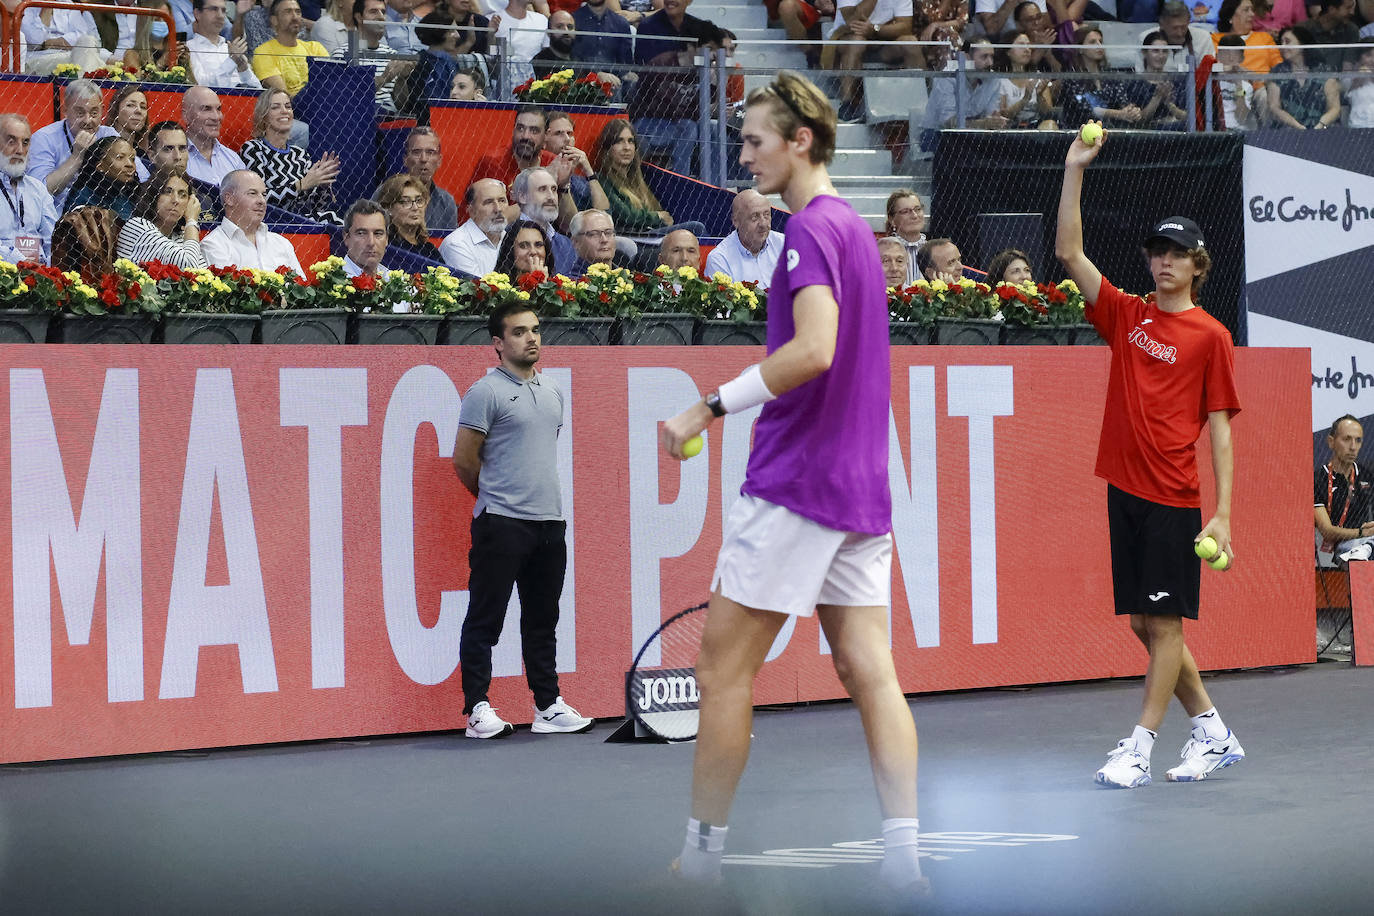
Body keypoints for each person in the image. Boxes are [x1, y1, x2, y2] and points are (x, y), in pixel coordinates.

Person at [657, 69, 924, 898]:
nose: (744, 157)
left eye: (754, 141)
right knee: (869, 669)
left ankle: (700, 863)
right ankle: (905, 865)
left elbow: (814, 350)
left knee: (721, 673)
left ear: (799, 141)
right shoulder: (853, 230)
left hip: (796, 484)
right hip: (859, 489)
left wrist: (709, 407)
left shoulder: (809, 231)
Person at [1056, 125, 1245, 790]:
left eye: (1177, 254)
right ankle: (1214, 733)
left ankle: (1139, 746)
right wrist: (1076, 167)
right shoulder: (1126, 316)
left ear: (1198, 265)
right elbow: (1070, 250)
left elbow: (1220, 428)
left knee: (1162, 623)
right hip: (1125, 489)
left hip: (1173, 496)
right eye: (1157, 251)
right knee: (1146, 622)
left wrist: (1221, 515)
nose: (1164, 262)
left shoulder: (1212, 337)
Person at [451, 300, 592, 740]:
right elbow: (464, 461)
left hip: (550, 524)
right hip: (500, 523)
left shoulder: (552, 392)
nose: (531, 338)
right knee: (485, 619)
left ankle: (547, 706)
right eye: (519, 332)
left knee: (541, 620)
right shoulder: (485, 392)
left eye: (535, 330)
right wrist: (495, 498)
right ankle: (477, 709)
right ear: (498, 343)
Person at [631, 0, 721, 174]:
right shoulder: (663, 64)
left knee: (713, 128)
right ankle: (681, 181)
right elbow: (657, 106)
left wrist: (715, 80)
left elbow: (708, 106)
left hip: (681, 122)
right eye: (708, 50)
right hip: (649, 123)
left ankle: (715, 187)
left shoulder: (703, 71)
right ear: (691, 46)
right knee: (689, 128)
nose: (712, 56)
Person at [240, 88, 341, 222]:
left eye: (288, 106)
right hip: (271, 222)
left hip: (301, 221)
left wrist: (323, 185)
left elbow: (316, 208)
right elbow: (258, 198)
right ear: (263, 116)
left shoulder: (300, 154)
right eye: (275, 107)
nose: (284, 111)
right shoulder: (253, 149)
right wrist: (300, 185)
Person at [592, 120, 704, 237]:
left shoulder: (642, 178)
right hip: (631, 236)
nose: (627, 147)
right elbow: (625, 215)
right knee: (696, 228)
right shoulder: (601, 181)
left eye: (631, 141)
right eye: (619, 141)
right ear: (608, 148)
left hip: (651, 233)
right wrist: (658, 217)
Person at [27, 80, 119, 213]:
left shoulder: (109, 134)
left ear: (103, 111)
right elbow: (40, 190)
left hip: (103, 214)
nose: (88, 120)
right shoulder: (44, 138)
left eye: (94, 113)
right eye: (80, 113)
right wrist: (77, 156)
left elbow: (137, 176)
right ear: (65, 110)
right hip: (56, 218)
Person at [823, 0, 921, 121]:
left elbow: (905, 27)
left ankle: (921, 103)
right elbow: (852, 21)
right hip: (848, 36)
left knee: (910, 42)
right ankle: (847, 104)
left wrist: (875, 29)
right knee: (857, 41)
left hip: (883, 39)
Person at [201, 168, 305, 272]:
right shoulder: (213, 245)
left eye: (264, 195)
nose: (262, 201)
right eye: (252, 193)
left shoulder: (282, 243)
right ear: (229, 199)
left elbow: (301, 286)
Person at [919, 37, 1007, 152]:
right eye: (984, 57)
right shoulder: (948, 77)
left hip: (974, 134)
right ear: (966, 57)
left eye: (992, 57)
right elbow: (949, 122)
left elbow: (990, 115)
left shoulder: (993, 79)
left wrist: (995, 120)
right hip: (937, 133)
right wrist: (983, 123)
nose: (990, 63)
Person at [468, 107, 556, 221]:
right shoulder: (493, 162)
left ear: (547, 135)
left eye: (534, 131)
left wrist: (563, 187)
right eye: (520, 128)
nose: (525, 136)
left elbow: (567, 224)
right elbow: (493, 218)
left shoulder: (552, 162)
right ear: (513, 130)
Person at [116, 167, 209, 268]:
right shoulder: (137, 226)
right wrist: (191, 220)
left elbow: (203, 274)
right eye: (168, 192)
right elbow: (189, 266)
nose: (175, 200)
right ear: (153, 196)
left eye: (182, 195)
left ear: (189, 202)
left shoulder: (180, 237)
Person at [0, 114, 61, 266]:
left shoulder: (37, 188)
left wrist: (47, 269)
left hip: (38, 275)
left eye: (25, 142)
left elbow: (52, 239)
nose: (20, 150)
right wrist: (21, 262)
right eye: (11, 141)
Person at [1060, 26, 1144, 130]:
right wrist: (1119, 114)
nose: (1099, 45)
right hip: (1081, 129)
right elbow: (1088, 108)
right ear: (1080, 48)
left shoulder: (1110, 75)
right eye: (1092, 42)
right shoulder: (1073, 78)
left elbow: (1122, 100)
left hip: (1110, 129)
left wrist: (1132, 111)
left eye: (1100, 41)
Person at [335, 0, 412, 114]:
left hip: (389, 119)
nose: (381, 17)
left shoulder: (392, 54)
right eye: (373, 12)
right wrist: (386, 76)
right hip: (358, 116)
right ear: (359, 17)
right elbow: (349, 97)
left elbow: (401, 105)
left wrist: (401, 79)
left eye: (383, 12)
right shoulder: (343, 53)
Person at [377, 127, 459, 233]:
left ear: (439, 161)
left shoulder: (447, 201)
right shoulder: (386, 192)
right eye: (416, 152)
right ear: (405, 159)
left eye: (430, 152)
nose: (423, 159)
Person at [1316, 415, 1374, 562]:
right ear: (1331, 442)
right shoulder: (1318, 479)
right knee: (1360, 553)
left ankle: (1367, 547)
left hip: (1369, 539)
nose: (1353, 447)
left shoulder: (1368, 475)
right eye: (1347, 439)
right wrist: (1361, 533)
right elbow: (1327, 532)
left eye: (1358, 440)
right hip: (1345, 546)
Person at [703, 188, 783, 289]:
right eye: (755, 217)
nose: (763, 224)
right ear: (736, 221)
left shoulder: (785, 244)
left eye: (766, 215)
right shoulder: (720, 259)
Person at [1269, 24, 1343, 127]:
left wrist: (1320, 125)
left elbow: (1335, 108)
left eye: (1287, 41)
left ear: (1302, 44)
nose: (1283, 46)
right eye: (1281, 42)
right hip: (1288, 132)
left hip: (1322, 130)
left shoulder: (1324, 70)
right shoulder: (1277, 72)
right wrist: (1297, 126)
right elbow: (1274, 108)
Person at [251, 0, 330, 97]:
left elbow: (330, 83)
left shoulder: (316, 48)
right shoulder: (264, 52)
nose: (295, 17)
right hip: (289, 109)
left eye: (298, 12)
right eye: (288, 12)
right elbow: (284, 96)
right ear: (274, 20)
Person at [542, 112, 610, 218]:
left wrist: (589, 172)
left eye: (569, 133)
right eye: (558, 133)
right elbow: (569, 226)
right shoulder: (537, 176)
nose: (567, 139)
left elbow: (605, 214)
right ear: (544, 140)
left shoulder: (579, 182)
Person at [183, 86, 249, 189]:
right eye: (206, 109)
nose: (216, 117)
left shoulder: (233, 159)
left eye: (218, 109)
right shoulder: (174, 157)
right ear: (186, 116)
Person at [510, 166, 576, 270]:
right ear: (523, 197)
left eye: (554, 189)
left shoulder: (566, 244)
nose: (551, 197)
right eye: (542, 189)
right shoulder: (508, 238)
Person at [191, 0, 265, 88]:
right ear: (197, 13)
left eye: (223, 11)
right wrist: (231, 61)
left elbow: (257, 89)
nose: (220, 16)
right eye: (213, 9)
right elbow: (200, 86)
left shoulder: (230, 48)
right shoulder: (189, 48)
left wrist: (243, 69)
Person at [441, 178, 508, 276]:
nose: (498, 209)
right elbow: (477, 290)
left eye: (502, 200)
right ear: (472, 211)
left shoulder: (513, 237)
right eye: (488, 202)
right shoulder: (456, 244)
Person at [993, 31, 1059, 129]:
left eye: (1028, 45)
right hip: (1010, 128)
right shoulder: (1000, 80)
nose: (1027, 49)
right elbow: (1003, 114)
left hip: (1036, 127)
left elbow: (1048, 114)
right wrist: (1025, 99)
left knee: (1050, 124)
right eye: (1021, 45)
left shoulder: (1038, 77)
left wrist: (1039, 96)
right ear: (1008, 51)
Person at [63, 136, 140, 220]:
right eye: (120, 157)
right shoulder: (84, 198)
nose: (130, 164)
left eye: (132, 159)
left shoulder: (129, 193)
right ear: (100, 166)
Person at [1129, 31, 1191, 129]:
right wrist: (1158, 97)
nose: (1161, 56)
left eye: (1165, 51)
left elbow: (1189, 117)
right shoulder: (1135, 83)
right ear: (1144, 52)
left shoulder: (1177, 81)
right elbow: (1139, 120)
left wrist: (1169, 104)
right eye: (1155, 51)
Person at [378, 173, 442, 259]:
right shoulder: (384, 247)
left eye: (419, 200)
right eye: (405, 202)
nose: (415, 208)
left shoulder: (430, 250)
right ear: (388, 208)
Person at [491, 0, 550, 88]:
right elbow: (491, 54)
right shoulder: (493, 20)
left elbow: (547, 54)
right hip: (504, 84)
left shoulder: (542, 20)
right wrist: (490, 34)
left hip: (536, 84)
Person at [1212, 0, 1282, 72]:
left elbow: (1280, 68)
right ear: (1230, 16)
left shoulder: (1265, 38)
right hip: (1228, 82)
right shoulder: (1215, 39)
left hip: (1261, 82)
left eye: (1252, 10)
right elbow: (1214, 69)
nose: (1252, 14)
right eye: (1246, 10)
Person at [1148, 0, 1218, 72]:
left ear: (1188, 22)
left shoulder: (1203, 38)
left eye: (1183, 27)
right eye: (1174, 28)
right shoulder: (1146, 38)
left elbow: (1208, 73)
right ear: (1162, 24)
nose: (1179, 33)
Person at [571, 0, 634, 73]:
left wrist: (624, 73)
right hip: (583, 77)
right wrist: (596, 74)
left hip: (616, 78)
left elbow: (626, 60)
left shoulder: (621, 23)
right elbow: (574, 56)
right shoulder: (574, 20)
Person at [1215, 34, 1262, 128]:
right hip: (1214, 129)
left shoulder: (1245, 86)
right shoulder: (1210, 80)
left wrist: (1239, 84)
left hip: (1237, 130)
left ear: (1242, 58)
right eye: (1226, 53)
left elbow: (1241, 117)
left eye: (1235, 54)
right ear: (1218, 55)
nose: (1230, 58)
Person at [885, 189, 926, 286]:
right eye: (905, 211)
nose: (914, 215)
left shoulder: (935, 251)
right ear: (892, 219)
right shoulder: (882, 251)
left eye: (918, 209)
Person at [1305, 0, 1361, 71]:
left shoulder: (1351, 30)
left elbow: (1348, 65)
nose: (1352, 12)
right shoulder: (1305, 29)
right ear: (1332, 9)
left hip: (1338, 79)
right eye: (1348, 8)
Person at [342, 198, 390, 277]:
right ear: (346, 238)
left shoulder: (398, 282)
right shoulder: (327, 284)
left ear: (387, 239)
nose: (371, 242)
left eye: (378, 233)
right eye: (361, 233)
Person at [564, 208, 618, 275]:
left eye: (608, 233)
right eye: (594, 234)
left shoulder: (627, 278)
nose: (604, 240)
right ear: (576, 242)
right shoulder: (570, 282)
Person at [1347, 39, 1374, 129]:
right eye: (1368, 55)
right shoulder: (1350, 77)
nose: (1373, 60)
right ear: (1359, 57)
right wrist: (1359, 77)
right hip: (1358, 127)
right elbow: (1347, 93)